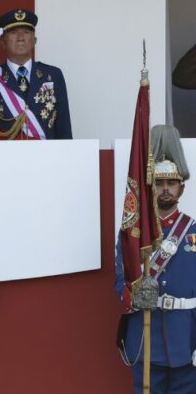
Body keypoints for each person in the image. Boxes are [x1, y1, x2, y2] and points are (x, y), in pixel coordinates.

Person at [115, 124, 195, 393]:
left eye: (171, 183)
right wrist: (133, 296)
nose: (165, 189)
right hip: (146, 344)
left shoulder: (193, 232)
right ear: (150, 187)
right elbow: (120, 282)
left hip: (187, 344)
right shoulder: (133, 234)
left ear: (180, 189)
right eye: (159, 183)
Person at [0, 9, 72, 139]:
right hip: (5, 156)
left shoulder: (53, 75)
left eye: (26, 32)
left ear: (34, 40)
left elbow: (63, 127)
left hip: (47, 156)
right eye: (14, 33)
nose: (20, 38)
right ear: (2, 42)